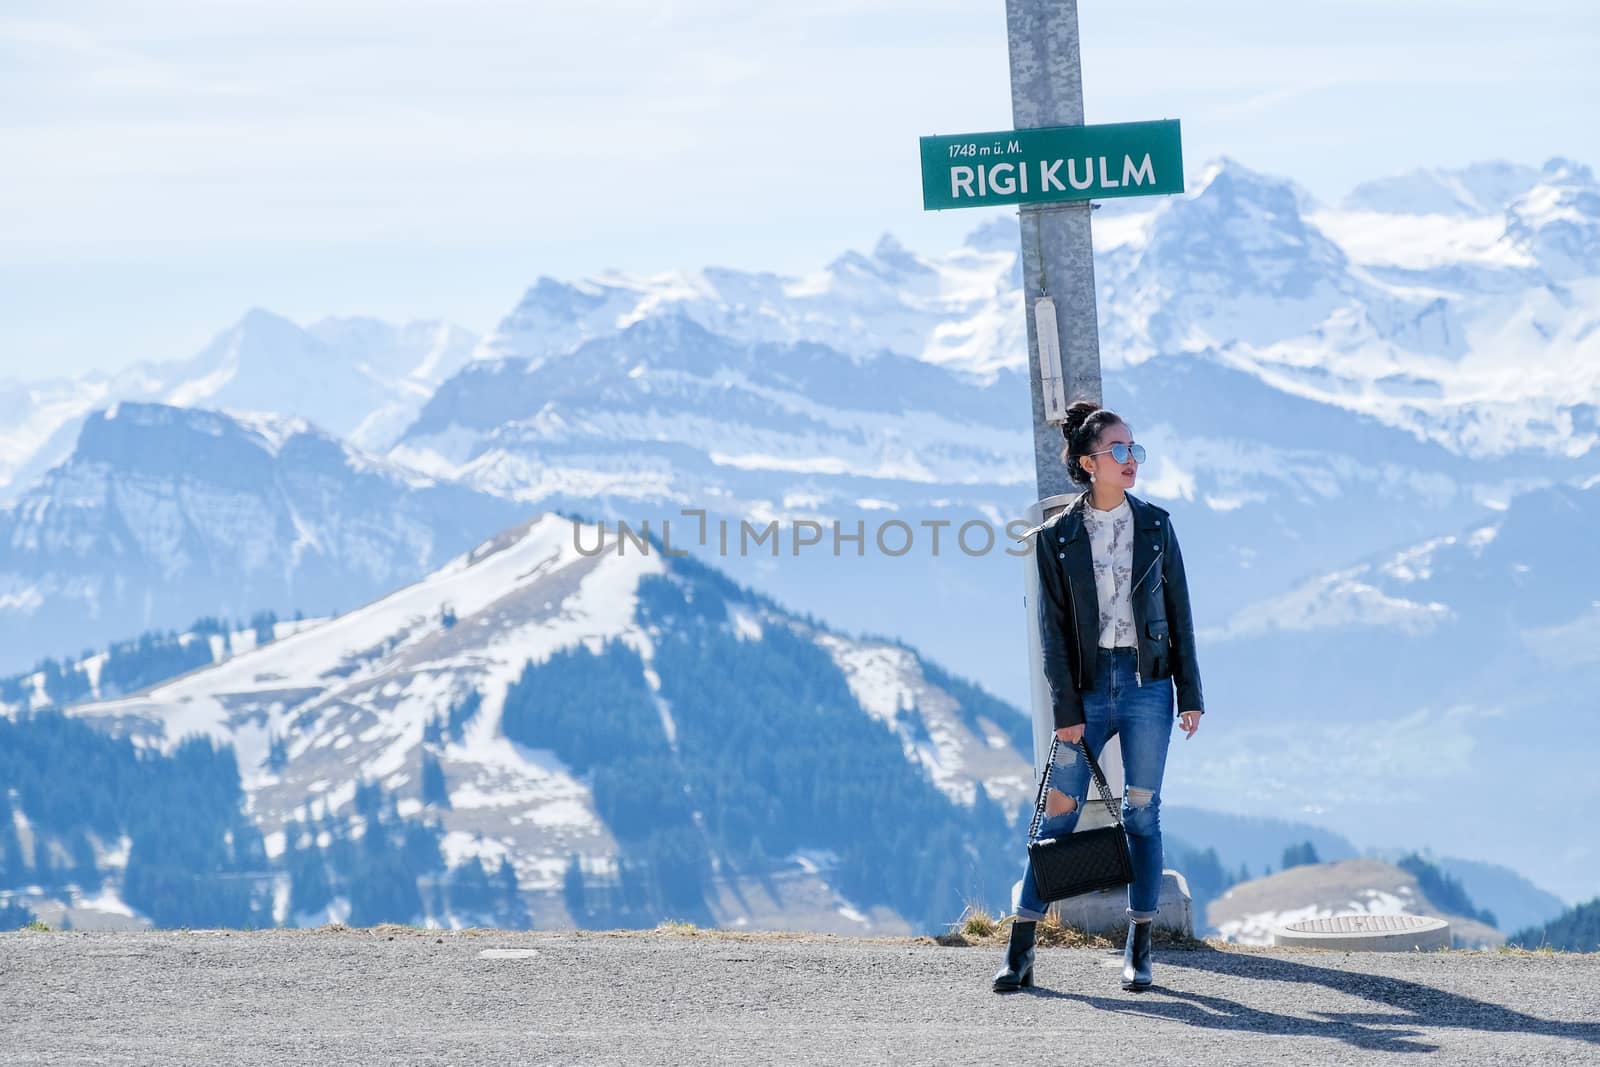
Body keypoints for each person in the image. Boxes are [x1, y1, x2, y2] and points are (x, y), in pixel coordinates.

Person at [992, 399, 1206, 994]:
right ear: (1089, 463)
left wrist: (1190, 693)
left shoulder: (1156, 525)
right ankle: (1021, 945)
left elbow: (1180, 613)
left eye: (1134, 449)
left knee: (1142, 811)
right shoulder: (1055, 539)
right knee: (1058, 813)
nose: (1130, 459)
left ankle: (1140, 947)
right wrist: (1065, 711)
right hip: (1085, 692)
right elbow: (1052, 635)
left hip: (1146, 688)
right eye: (1118, 450)